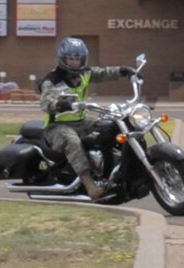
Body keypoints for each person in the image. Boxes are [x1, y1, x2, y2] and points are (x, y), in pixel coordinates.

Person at [38, 37, 133, 198]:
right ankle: (90, 185)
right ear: (63, 59)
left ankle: (113, 169)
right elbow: (45, 103)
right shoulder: (52, 80)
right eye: (71, 58)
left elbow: (103, 73)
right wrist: (59, 105)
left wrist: (123, 70)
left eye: (78, 58)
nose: (75, 62)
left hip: (82, 121)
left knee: (110, 126)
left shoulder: (85, 73)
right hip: (57, 126)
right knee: (73, 141)